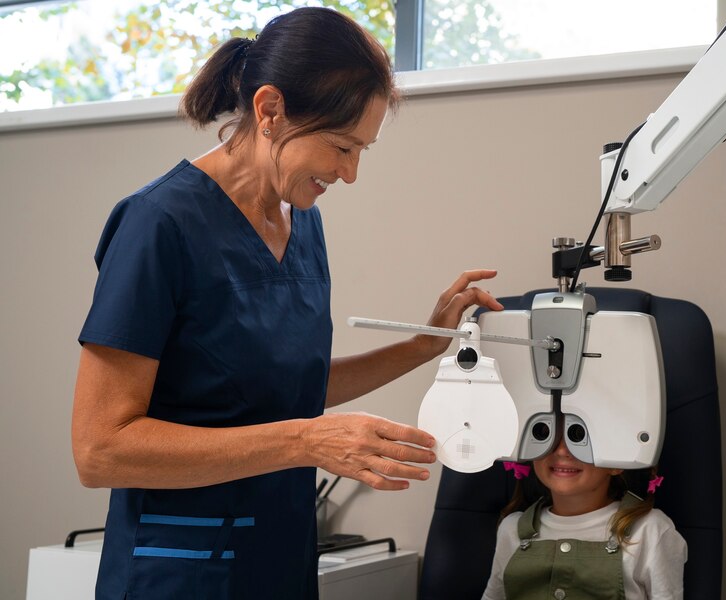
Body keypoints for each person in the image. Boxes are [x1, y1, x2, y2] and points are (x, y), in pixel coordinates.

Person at [71, 7, 502, 599]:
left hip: (281, 560)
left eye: (361, 153)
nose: (348, 174)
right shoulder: (158, 224)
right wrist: (307, 442)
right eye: (340, 147)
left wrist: (423, 347)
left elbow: (282, 390)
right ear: (269, 110)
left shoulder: (304, 226)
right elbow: (99, 449)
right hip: (179, 570)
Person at [482, 434, 687, 600]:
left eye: (579, 436)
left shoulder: (649, 530)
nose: (562, 450)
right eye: (547, 434)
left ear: (617, 461)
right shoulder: (512, 528)